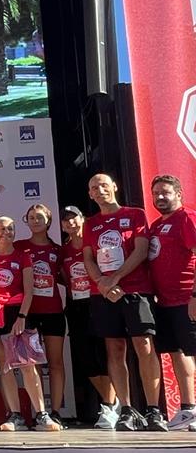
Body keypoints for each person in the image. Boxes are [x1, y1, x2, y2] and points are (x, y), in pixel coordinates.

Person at [82, 173, 165, 432]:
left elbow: (141, 250)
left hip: (135, 290)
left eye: (104, 185)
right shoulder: (90, 224)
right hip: (105, 295)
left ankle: (153, 409)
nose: (100, 190)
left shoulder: (135, 214)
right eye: (94, 188)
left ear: (114, 187)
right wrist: (102, 283)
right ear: (90, 194)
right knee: (115, 349)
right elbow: (88, 259)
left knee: (144, 346)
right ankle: (127, 410)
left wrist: (115, 278)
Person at [0, 216, 61, 431]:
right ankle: (15, 415)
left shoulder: (23, 256)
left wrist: (21, 316)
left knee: (28, 365)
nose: (6, 233)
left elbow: (29, 291)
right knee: (5, 365)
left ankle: (41, 414)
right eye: (2, 229)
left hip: (19, 313)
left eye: (10, 229)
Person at [147, 175, 196, 429]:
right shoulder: (156, 225)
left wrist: (195, 296)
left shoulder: (187, 218)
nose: (160, 197)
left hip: (187, 298)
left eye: (165, 192)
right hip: (165, 302)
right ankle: (189, 408)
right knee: (178, 353)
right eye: (156, 193)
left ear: (178, 193)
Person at [60, 205, 115, 426]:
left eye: (74, 218)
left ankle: (109, 405)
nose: (70, 223)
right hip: (76, 306)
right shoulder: (63, 251)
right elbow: (64, 278)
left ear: (83, 219)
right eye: (66, 220)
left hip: (98, 301)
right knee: (86, 358)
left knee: (104, 355)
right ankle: (111, 403)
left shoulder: (94, 243)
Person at [16, 204, 66, 428]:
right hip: (29, 313)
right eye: (31, 217)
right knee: (32, 364)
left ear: (48, 221)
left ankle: (56, 411)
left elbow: (66, 277)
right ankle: (40, 412)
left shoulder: (57, 250)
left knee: (56, 362)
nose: (35, 221)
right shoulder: (20, 247)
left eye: (40, 217)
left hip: (54, 310)